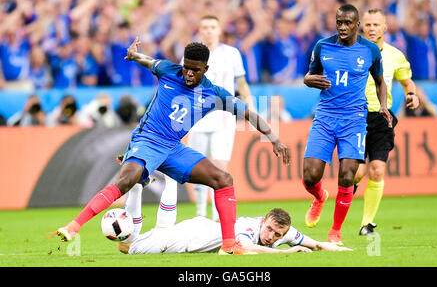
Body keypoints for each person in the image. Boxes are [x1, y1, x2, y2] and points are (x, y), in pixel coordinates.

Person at [53, 38, 291, 255]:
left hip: (173, 148)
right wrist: (134, 55)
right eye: (186, 67)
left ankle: (229, 245)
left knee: (224, 180)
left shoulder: (215, 94)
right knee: (126, 180)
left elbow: (249, 114)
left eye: (194, 70)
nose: (188, 73)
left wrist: (275, 139)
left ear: (205, 69)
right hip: (147, 139)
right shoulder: (169, 70)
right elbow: (148, 61)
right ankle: (74, 226)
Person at [301, 4, 392, 245]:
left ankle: (335, 231)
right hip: (324, 117)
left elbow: (380, 81)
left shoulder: (370, 50)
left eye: (347, 23)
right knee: (310, 175)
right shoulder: (323, 46)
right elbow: (309, 76)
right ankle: (319, 197)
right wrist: (311, 81)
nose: (342, 27)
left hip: (353, 120)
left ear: (357, 24)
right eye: (339, 22)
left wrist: (383, 106)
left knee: (348, 175)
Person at [158, 15, 254, 227]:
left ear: (219, 30)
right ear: (200, 31)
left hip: (223, 119)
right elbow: (182, 85)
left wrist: (250, 107)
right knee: (198, 166)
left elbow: (242, 83)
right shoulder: (191, 55)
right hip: (197, 119)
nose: (209, 31)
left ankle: (216, 214)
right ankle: (201, 212)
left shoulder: (232, 53)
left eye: (212, 27)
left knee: (220, 165)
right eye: (205, 27)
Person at [118, 183, 351, 255]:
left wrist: (345, 250)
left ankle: (140, 187)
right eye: (269, 229)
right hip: (190, 238)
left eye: (278, 235)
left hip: (202, 229)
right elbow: (242, 247)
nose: (271, 237)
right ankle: (140, 187)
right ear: (263, 221)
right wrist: (286, 252)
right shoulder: (250, 227)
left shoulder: (284, 231)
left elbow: (317, 245)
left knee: (137, 242)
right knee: (125, 248)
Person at [353, 9, 420, 236]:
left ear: (385, 28)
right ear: (362, 26)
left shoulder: (395, 55)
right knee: (356, 173)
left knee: (377, 169)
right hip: (356, 117)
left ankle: (367, 223)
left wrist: (412, 94)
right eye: (368, 25)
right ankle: (345, 196)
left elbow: (406, 80)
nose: (372, 29)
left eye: (376, 25)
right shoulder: (352, 52)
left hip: (382, 117)